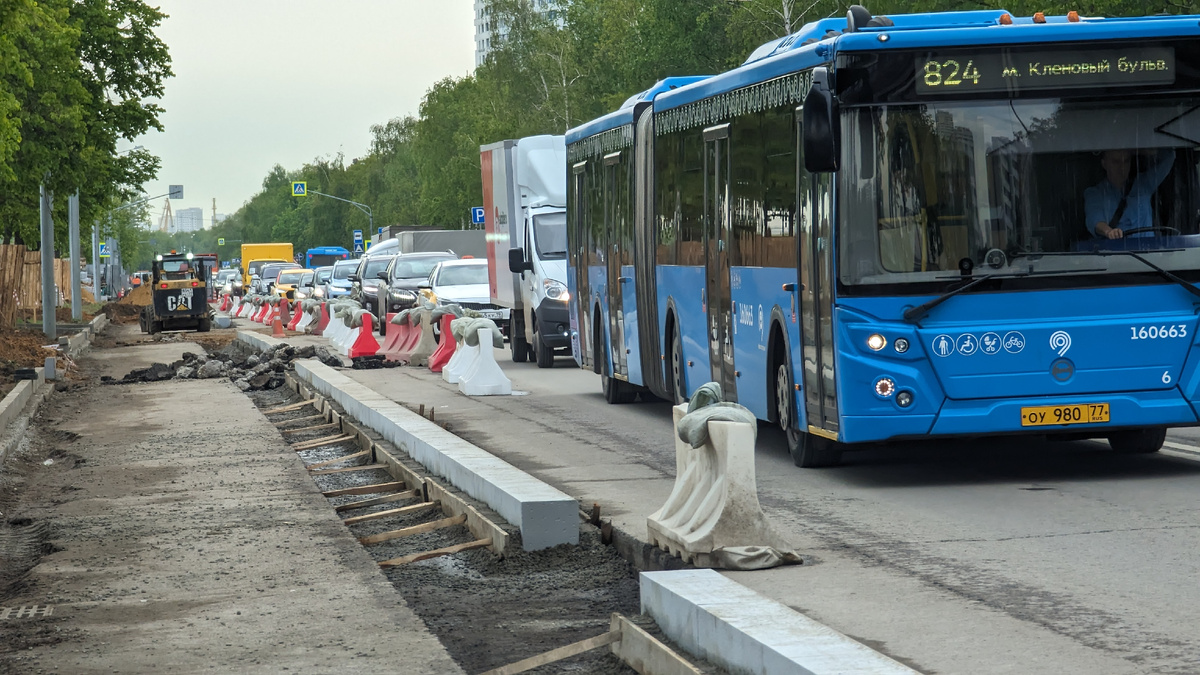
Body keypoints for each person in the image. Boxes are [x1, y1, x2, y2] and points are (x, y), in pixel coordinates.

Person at [1084, 148, 1174, 239]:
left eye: (1126, 161)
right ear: (1104, 164)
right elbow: (1095, 221)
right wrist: (1109, 231)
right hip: (1116, 251)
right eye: (1116, 162)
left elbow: (1169, 157)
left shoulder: (1143, 185)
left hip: (1148, 250)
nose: (1122, 167)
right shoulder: (1095, 193)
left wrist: (1138, 149)